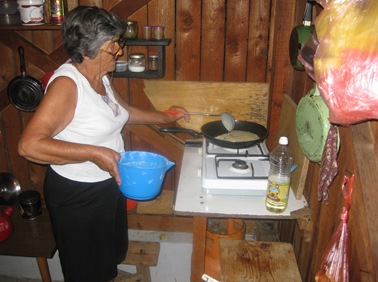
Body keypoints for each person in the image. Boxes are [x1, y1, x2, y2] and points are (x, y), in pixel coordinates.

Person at [17, 6, 190, 282]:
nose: (119, 52)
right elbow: (29, 146)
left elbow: (124, 112)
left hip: (107, 186)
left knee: (108, 258)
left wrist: (165, 117)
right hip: (77, 196)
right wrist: (93, 153)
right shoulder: (67, 85)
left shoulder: (100, 77)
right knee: (85, 271)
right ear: (89, 50)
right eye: (113, 46)